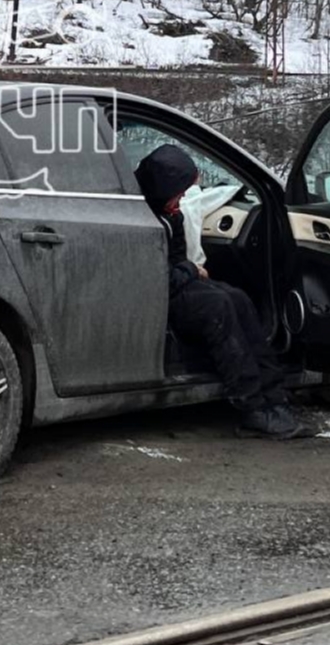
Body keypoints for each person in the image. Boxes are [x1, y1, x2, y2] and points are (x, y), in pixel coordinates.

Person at [135, 144, 311, 439]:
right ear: (163, 189)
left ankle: (275, 397)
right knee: (218, 307)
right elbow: (154, 278)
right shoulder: (143, 220)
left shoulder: (171, 212)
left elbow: (176, 259)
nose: (183, 199)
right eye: (180, 192)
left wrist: (190, 270)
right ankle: (252, 406)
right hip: (159, 294)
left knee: (238, 298)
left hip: (178, 282)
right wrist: (192, 270)